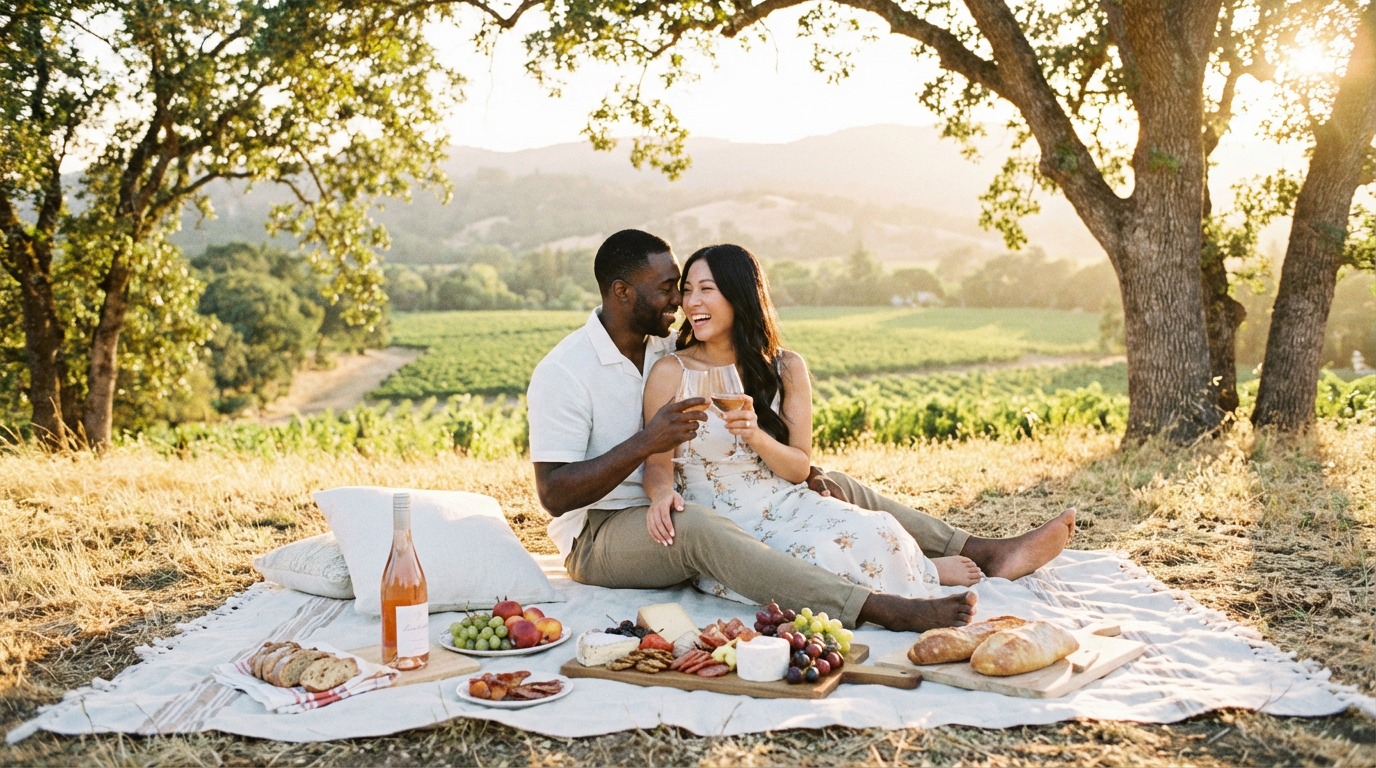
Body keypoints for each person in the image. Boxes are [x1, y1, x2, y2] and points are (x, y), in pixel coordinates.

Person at [527, 229, 1073, 632]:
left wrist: (773, 451)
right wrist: (651, 448)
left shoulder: (663, 344)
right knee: (704, 529)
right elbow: (553, 496)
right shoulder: (564, 372)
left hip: (686, 499)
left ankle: (983, 552)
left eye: (689, 288)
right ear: (623, 293)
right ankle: (878, 605)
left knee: (822, 479)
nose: (681, 301)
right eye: (670, 289)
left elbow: (729, 360)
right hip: (600, 532)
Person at [642, 244, 947, 603]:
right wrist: (662, 494)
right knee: (817, 560)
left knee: (880, 528)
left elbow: (800, 468)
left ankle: (921, 569)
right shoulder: (671, 372)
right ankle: (917, 579)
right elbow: (656, 462)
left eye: (706, 289)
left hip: (787, 501)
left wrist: (755, 435)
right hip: (722, 524)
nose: (691, 303)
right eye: (688, 290)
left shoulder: (786, 367)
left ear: (740, 296)